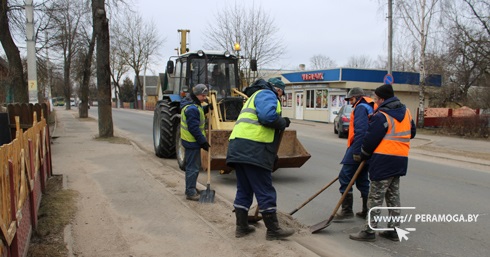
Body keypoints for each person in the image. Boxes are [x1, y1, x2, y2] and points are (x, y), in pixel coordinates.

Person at [226, 77, 294, 240]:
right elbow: (267, 118)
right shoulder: (266, 94)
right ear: (278, 90)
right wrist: (282, 122)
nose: (280, 97)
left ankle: (241, 227)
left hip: (239, 149)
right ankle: (273, 230)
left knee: (245, 188)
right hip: (253, 149)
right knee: (265, 190)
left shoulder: (253, 97)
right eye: (281, 93)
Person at [349, 84, 416, 242]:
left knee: (375, 197)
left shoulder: (382, 115)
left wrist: (364, 153)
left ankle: (368, 231)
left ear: (383, 99)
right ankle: (393, 230)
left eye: (376, 99)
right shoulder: (406, 112)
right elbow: (411, 132)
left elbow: (371, 138)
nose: (375, 102)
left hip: (383, 159)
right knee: (393, 196)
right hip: (400, 159)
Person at [334, 87, 376, 220]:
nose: (350, 102)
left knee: (345, 176)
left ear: (358, 97)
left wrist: (357, 152)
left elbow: (361, 131)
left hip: (359, 147)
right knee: (363, 179)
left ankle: (347, 211)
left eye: (351, 99)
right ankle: (367, 210)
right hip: (370, 148)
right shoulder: (371, 106)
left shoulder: (361, 108)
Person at [180, 84, 211, 201]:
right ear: (197, 94)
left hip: (191, 141)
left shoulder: (193, 105)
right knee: (192, 167)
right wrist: (203, 142)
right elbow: (194, 128)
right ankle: (190, 192)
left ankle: (191, 187)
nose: (204, 98)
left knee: (193, 167)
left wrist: (207, 109)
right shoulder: (192, 108)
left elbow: (198, 113)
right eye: (203, 96)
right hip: (192, 141)